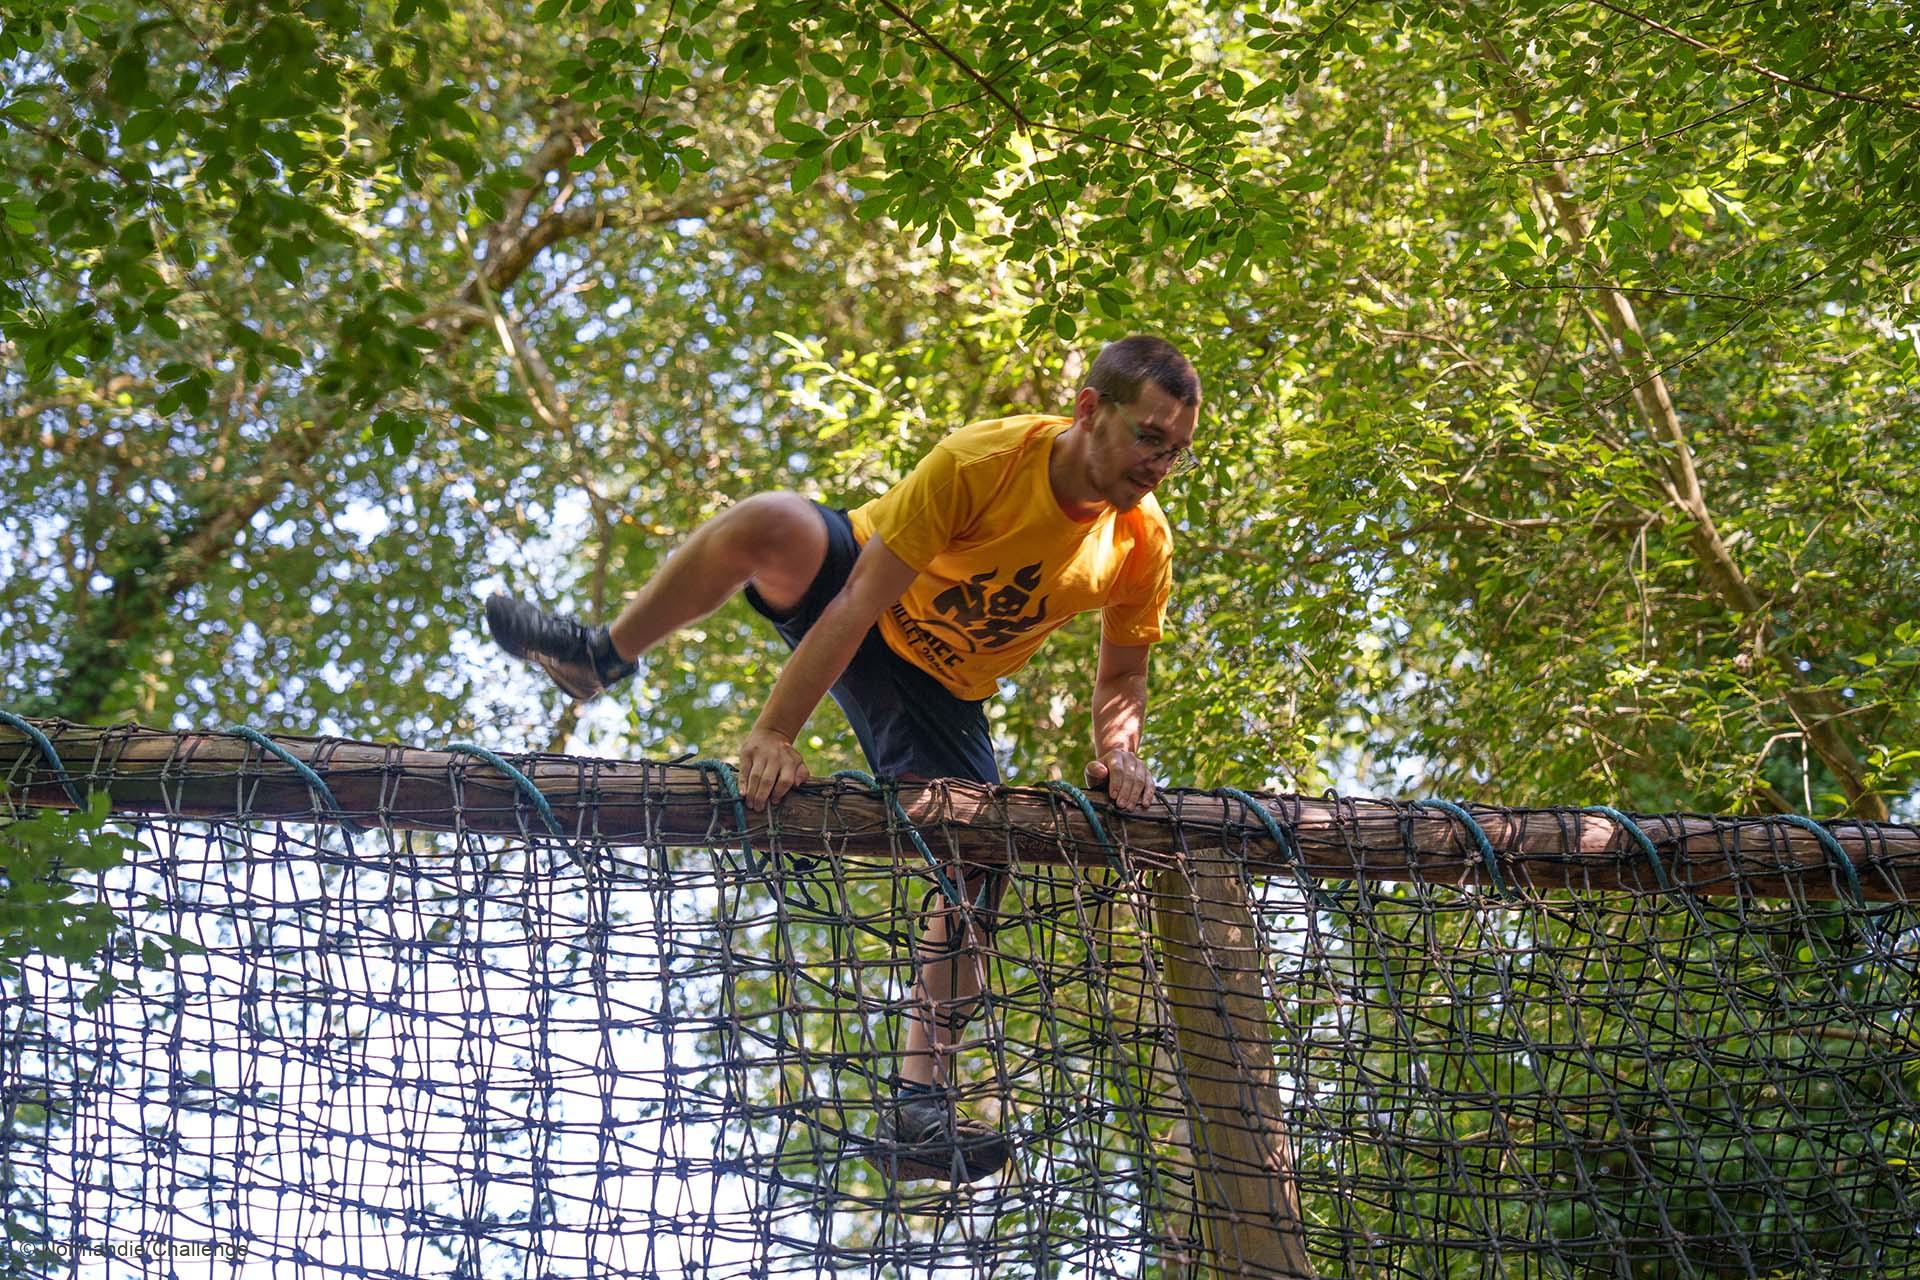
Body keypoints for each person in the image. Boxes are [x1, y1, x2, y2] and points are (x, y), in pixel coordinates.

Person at [485, 334, 1201, 1182]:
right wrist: (773, 733)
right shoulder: (984, 462)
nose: (1160, 461)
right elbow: (861, 601)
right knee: (773, 522)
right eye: (1149, 436)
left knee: (982, 854)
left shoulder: (1138, 542)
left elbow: (1123, 674)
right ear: (1089, 409)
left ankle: (919, 1108)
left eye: (1177, 449)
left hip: (942, 687)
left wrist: (1121, 756)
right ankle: (600, 654)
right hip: (858, 594)